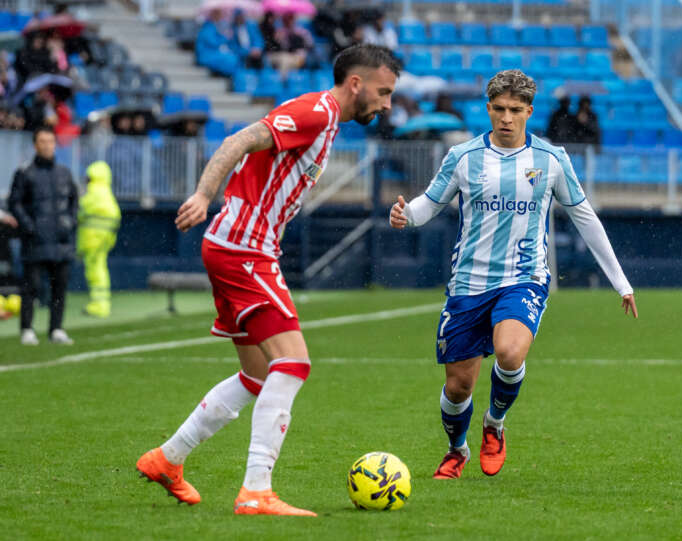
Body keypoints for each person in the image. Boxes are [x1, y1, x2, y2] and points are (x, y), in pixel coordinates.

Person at [135, 44, 400, 515]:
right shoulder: (315, 113)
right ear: (356, 83)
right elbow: (237, 141)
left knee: (258, 375)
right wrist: (202, 194)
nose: (387, 104)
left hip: (237, 246)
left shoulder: (328, 121)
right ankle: (256, 489)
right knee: (294, 363)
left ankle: (167, 458)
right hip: (245, 249)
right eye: (383, 93)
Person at [388, 70, 637, 480]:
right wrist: (405, 215)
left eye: (515, 111)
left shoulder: (551, 159)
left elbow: (584, 217)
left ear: (529, 112)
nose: (506, 118)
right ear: (488, 109)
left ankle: (495, 424)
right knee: (458, 387)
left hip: (524, 277)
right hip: (468, 283)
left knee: (509, 352)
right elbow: (428, 204)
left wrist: (621, 282)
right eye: (499, 109)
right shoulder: (463, 158)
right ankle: (457, 449)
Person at [8, 126, 78, 346]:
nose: (47, 145)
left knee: (60, 286)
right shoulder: (25, 173)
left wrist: (70, 222)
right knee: (31, 287)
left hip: (61, 241)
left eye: (51, 141)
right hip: (36, 240)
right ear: (35, 145)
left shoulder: (64, 173)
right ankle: (27, 329)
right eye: (43, 141)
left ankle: (56, 328)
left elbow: (74, 201)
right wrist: (30, 226)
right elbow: (15, 203)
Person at [77, 161, 121, 318]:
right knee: (100, 270)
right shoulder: (107, 193)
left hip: (92, 240)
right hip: (104, 240)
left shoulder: (93, 192)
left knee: (95, 272)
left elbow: (80, 212)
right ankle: (101, 303)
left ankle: (99, 305)